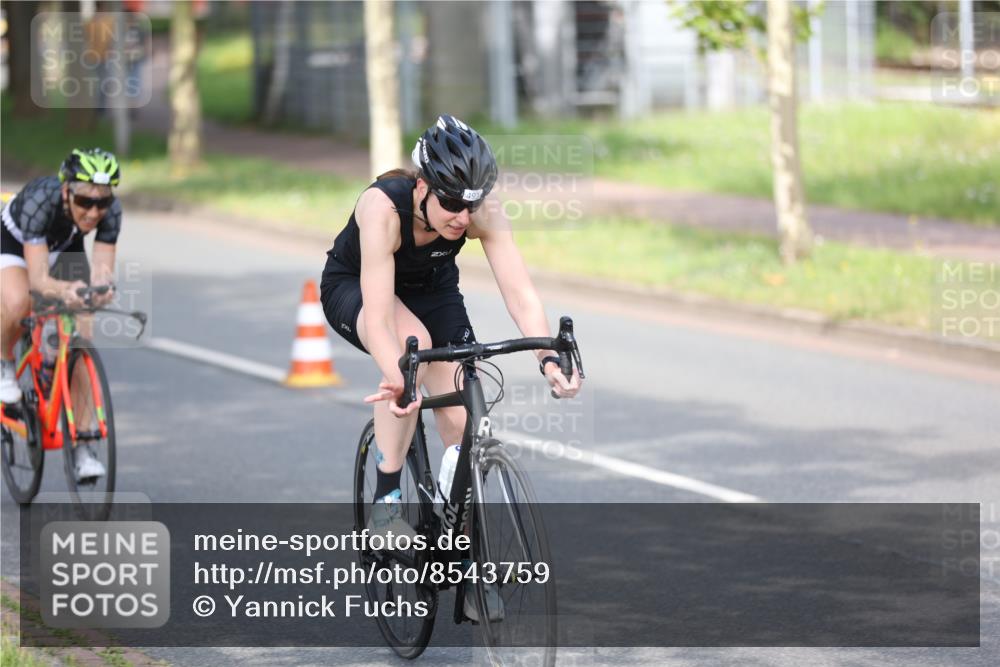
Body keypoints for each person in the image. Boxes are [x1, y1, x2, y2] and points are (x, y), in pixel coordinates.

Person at [321, 115, 582, 620]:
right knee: (412, 351)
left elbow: (520, 293)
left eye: (471, 205)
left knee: (465, 414)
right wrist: (397, 375)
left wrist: (548, 357)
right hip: (358, 287)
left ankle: (460, 555)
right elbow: (381, 317)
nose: (462, 217)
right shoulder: (382, 208)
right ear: (422, 186)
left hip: (433, 289)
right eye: (451, 203)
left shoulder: (481, 210)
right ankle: (386, 501)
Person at [0, 148, 121, 481]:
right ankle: (4, 362)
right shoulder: (41, 201)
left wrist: (102, 289)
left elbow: (102, 271)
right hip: (14, 243)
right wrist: (64, 289)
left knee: (80, 344)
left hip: (64, 248)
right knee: (21, 301)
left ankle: (83, 447)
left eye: (102, 202)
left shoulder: (111, 211)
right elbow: (39, 280)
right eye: (84, 201)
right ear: (66, 190)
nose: (94, 212)